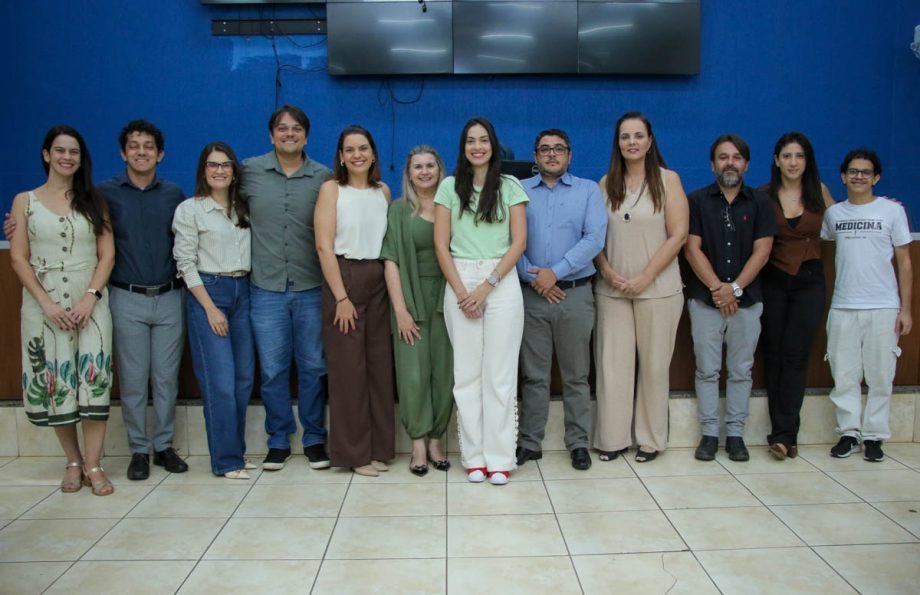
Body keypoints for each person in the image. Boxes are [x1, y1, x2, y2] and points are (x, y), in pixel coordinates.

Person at [9, 125, 115, 495]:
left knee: (94, 380)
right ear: (46, 154)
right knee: (56, 382)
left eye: (74, 151)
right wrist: (47, 303)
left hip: (91, 304)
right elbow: (19, 259)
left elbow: (107, 254)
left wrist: (90, 297)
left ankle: (95, 464)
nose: (67, 157)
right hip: (44, 306)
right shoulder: (25, 202)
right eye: (60, 150)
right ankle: (73, 462)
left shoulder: (94, 200)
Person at [434, 117, 528, 485]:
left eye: (483, 140)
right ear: (463, 146)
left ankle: (500, 459)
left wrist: (486, 286)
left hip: (500, 281)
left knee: (499, 376)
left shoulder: (510, 186)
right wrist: (462, 292)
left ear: (493, 145)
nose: (477, 147)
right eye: (471, 141)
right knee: (467, 376)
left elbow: (518, 242)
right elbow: (441, 244)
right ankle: (474, 458)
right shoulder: (447, 187)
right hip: (458, 278)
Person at [593, 113, 689, 463]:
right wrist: (606, 271)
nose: (631, 142)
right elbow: (594, 237)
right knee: (612, 367)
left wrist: (645, 276)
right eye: (624, 137)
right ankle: (613, 438)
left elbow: (678, 235)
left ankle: (650, 440)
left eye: (638, 136)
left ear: (650, 141)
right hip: (613, 289)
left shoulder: (668, 180)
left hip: (658, 289)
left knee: (653, 366)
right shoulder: (606, 184)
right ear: (617, 143)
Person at [241, 105, 332, 471]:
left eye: (296, 129)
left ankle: (314, 439)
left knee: (313, 367)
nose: (289, 134)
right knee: (274, 370)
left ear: (306, 136)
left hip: (311, 288)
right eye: (282, 128)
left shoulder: (324, 177)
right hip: (265, 289)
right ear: (271, 134)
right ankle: (278, 440)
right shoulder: (248, 172)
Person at [515, 128, 607, 471]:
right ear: (535, 157)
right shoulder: (518, 191)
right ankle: (530, 443)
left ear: (569, 155)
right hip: (532, 296)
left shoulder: (588, 191)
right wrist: (534, 276)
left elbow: (594, 238)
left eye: (558, 149)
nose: (551, 154)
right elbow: (510, 239)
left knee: (576, 375)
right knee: (534, 376)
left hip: (575, 295)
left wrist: (556, 271)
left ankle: (578, 443)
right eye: (544, 150)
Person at [684, 134, 775, 462]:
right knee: (706, 370)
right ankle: (709, 434)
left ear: (746, 164)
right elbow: (691, 248)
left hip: (747, 302)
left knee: (741, 370)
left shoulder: (762, 202)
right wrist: (717, 290)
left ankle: (735, 434)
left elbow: (763, 251)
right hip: (705, 300)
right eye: (723, 157)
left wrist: (734, 289)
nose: (730, 163)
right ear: (712, 164)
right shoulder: (695, 201)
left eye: (736, 157)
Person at [821, 149, 912, 463]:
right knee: (844, 374)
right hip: (843, 306)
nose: (859, 176)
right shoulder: (834, 215)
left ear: (876, 177)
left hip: (884, 306)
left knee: (880, 375)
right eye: (853, 171)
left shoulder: (892, 211)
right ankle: (849, 433)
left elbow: (905, 262)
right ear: (844, 177)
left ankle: (874, 437)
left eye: (865, 172)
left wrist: (906, 309)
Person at [315, 125, 395, 477]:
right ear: (341, 156)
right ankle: (354, 454)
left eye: (363, 148)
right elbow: (323, 245)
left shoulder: (384, 191)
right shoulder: (331, 190)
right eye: (350, 149)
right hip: (344, 279)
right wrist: (341, 298)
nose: (357, 154)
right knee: (349, 372)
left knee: (378, 369)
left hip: (378, 281)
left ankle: (378, 448)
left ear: (373, 153)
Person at [172, 142, 254, 479]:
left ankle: (235, 452)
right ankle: (226, 460)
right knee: (219, 382)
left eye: (225, 165)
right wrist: (209, 308)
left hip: (244, 291)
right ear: (203, 171)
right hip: (210, 293)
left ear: (234, 171)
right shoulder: (190, 210)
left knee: (243, 379)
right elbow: (185, 263)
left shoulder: (243, 209)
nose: (219, 171)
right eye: (212, 165)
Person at [760, 132, 835, 460]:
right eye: (787, 156)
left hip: (809, 281)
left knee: (796, 355)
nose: (793, 162)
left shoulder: (819, 193)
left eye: (799, 156)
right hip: (772, 280)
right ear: (776, 160)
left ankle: (786, 434)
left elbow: (844, 223)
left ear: (807, 161)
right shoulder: (763, 196)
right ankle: (780, 432)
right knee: (774, 355)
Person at [381, 146, 453, 476]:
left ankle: (437, 439)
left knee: (444, 374)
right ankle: (418, 443)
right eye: (417, 167)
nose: (424, 171)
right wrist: (400, 310)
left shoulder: (453, 206)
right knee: (413, 376)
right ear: (408, 174)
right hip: (411, 298)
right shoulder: (398, 210)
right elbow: (391, 260)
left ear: (440, 170)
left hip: (449, 300)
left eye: (430, 166)